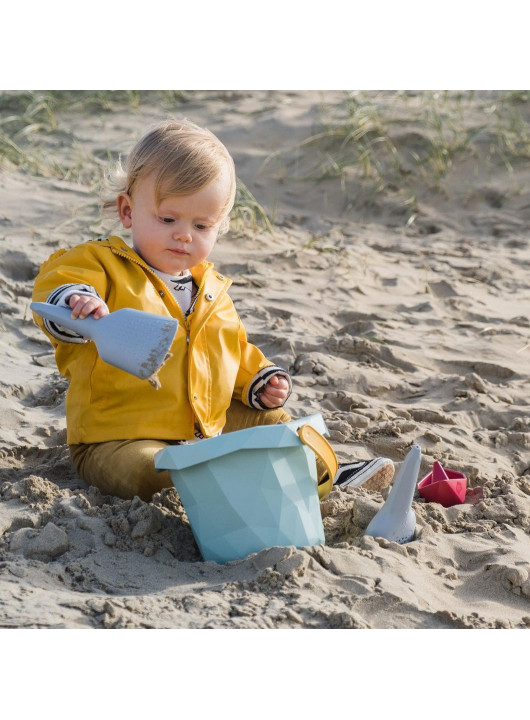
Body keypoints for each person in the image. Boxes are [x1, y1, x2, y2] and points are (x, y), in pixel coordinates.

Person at [32, 119, 394, 503]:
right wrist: (76, 300)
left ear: (219, 228)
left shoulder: (211, 292)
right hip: (117, 437)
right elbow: (55, 288)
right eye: (168, 219)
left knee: (281, 427)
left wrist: (259, 380)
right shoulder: (101, 265)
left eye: (202, 225)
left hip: (201, 423)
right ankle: (241, 481)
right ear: (127, 211)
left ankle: (325, 473)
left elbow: (227, 353)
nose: (184, 234)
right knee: (152, 472)